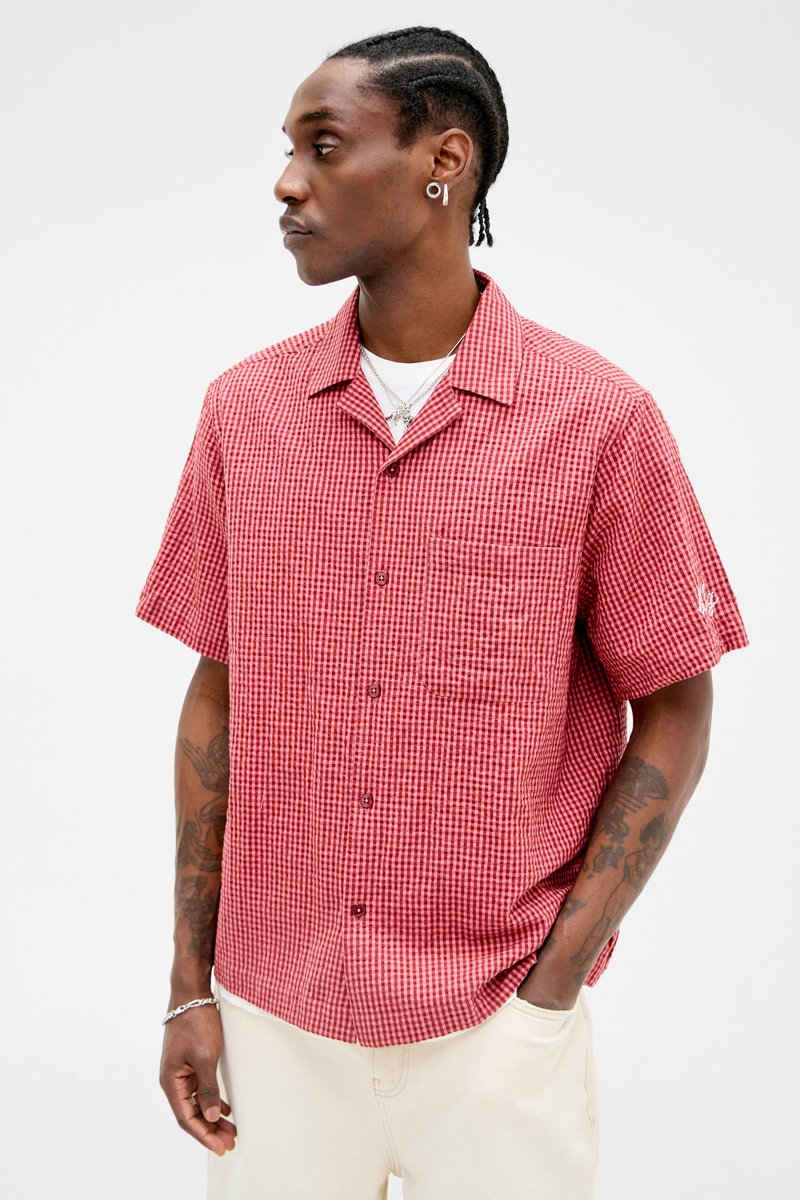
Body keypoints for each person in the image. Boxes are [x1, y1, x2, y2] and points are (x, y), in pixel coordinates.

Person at [134, 25, 750, 1200]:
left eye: (323, 146)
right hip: (273, 1018)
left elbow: (674, 705)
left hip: (494, 1029)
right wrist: (185, 986)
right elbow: (217, 696)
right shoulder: (243, 413)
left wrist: (552, 985)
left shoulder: (598, 421)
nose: (286, 182)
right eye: (286, 150)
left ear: (443, 162)